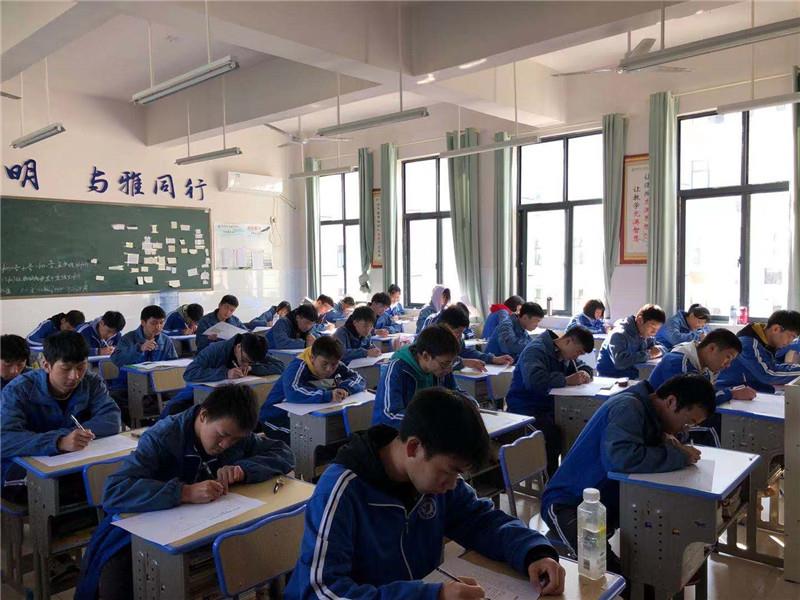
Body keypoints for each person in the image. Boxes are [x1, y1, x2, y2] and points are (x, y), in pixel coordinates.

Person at [285, 387, 565, 599]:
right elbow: (321, 591)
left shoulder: (434, 480)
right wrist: (432, 595)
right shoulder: (343, 490)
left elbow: (481, 521)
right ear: (413, 448)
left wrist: (533, 551)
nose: (454, 484)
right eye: (450, 471)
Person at [75, 384, 295, 600]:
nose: (226, 445)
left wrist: (243, 470)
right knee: (117, 582)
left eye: (235, 440)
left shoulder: (234, 432)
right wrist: (184, 492)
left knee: (278, 540)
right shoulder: (162, 437)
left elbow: (284, 453)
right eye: (221, 435)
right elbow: (114, 491)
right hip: (144, 530)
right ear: (204, 416)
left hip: (208, 525)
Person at [542, 375, 715, 578]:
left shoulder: (652, 414)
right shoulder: (628, 407)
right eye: (688, 422)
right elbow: (620, 460)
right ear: (671, 401)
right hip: (569, 504)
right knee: (610, 575)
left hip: (606, 503)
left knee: (656, 554)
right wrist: (679, 456)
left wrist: (672, 444)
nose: (685, 430)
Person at [1, 331, 121, 501]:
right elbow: (4, 439)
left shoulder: (91, 382)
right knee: (93, 491)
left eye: (81, 367)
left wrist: (72, 438)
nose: (75, 376)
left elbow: (111, 419)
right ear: (46, 365)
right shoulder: (18, 390)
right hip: (24, 470)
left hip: (76, 463)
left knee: (109, 483)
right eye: (66, 369)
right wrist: (58, 441)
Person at [505, 327, 595, 477]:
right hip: (525, 407)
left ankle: (569, 476)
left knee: (577, 427)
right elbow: (535, 381)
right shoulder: (536, 350)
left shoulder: (563, 351)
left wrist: (585, 372)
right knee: (553, 435)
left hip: (548, 406)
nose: (577, 356)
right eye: (578, 352)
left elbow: (581, 366)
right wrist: (566, 380)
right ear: (568, 341)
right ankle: (550, 480)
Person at [260, 337, 366, 443]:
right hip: (276, 419)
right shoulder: (297, 367)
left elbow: (359, 379)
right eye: (324, 364)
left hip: (306, 418)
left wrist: (345, 388)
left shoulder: (335, 364)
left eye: (334, 364)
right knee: (313, 438)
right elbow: (293, 393)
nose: (329, 369)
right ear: (312, 358)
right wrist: (328, 395)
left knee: (336, 436)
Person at [161, 333, 284, 417]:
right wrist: (225, 373)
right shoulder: (216, 350)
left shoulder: (254, 349)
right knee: (174, 409)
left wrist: (253, 368)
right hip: (201, 391)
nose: (246, 364)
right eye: (244, 360)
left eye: (250, 362)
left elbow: (280, 366)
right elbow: (189, 373)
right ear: (238, 347)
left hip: (233, 396)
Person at [372, 325, 469, 427]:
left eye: (452, 363)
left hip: (427, 429)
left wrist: (471, 406)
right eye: (445, 364)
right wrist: (431, 422)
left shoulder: (442, 368)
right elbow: (389, 416)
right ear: (426, 356)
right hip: (395, 433)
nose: (449, 368)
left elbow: (455, 393)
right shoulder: (397, 369)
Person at [649, 328, 753, 404]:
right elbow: (696, 400)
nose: (728, 365)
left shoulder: (706, 367)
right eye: (728, 357)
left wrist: (731, 391)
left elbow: (707, 392)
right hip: (654, 420)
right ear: (712, 348)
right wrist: (732, 393)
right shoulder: (678, 361)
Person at [717, 310, 800, 394]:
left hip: (749, 387)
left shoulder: (765, 340)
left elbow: (772, 366)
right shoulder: (748, 343)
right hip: (729, 391)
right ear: (776, 329)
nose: (790, 341)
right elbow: (768, 374)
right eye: (791, 336)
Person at [597, 304, 666, 378]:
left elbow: (661, 347)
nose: (654, 332)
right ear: (640, 320)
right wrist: (649, 354)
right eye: (652, 327)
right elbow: (620, 362)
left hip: (630, 377)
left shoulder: (644, 333)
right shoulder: (619, 335)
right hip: (611, 379)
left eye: (657, 329)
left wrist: (660, 350)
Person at [437, 305, 513, 371]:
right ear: (445, 326)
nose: (459, 336)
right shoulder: (434, 338)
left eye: (461, 332)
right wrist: (464, 362)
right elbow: (440, 361)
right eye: (457, 332)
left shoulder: (456, 338)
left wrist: (493, 359)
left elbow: (467, 352)